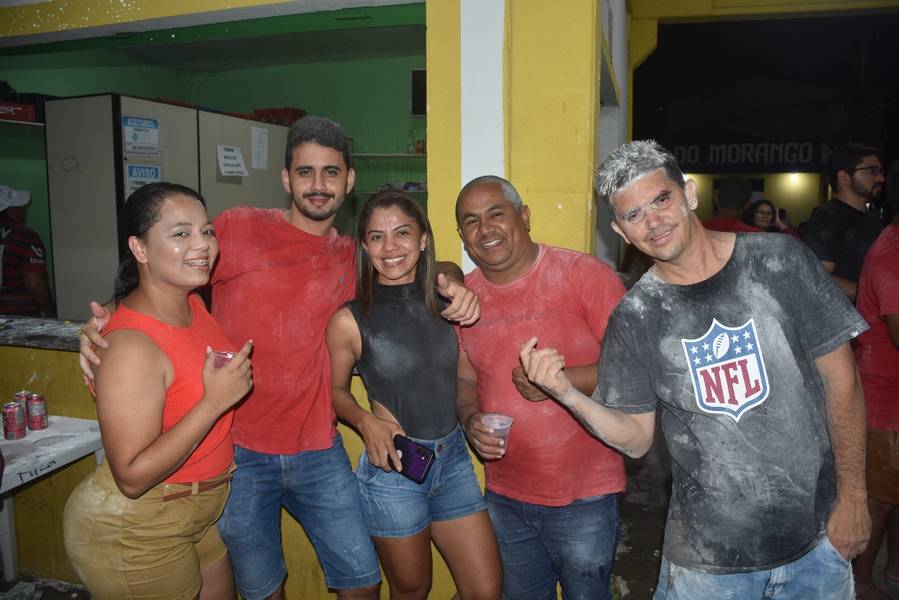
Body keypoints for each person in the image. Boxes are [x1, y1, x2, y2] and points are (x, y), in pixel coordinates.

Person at [79, 116, 478, 600]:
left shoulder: (355, 256)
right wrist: (107, 321)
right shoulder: (237, 228)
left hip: (319, 449)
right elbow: (165, 279)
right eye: (305, 172)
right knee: (263, 589)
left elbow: (414, 267)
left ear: (349, 180)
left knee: (363, 582)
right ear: (286, 178)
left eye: (331, 172)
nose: (318, 185)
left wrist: (453, 281)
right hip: (240, 452)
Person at [520, 140, 871, 599]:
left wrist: (854, 497)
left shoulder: (780, 261)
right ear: (620, 231)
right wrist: (566, 393)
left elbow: (842, 381)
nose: (653, 222)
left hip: (816, 540)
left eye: (661, 200)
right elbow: (636, 437)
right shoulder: (636, 317)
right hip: (708, 560)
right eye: (634, 214)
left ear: (688, 193)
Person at [63, 182, 253, 600]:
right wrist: (214, 402)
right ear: (140, 248)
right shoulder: (129, 347)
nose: (202, 245)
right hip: (137, 526)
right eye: (181, 233)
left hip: (195, 512)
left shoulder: (192, 303)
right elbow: (131, 477)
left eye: (206, 231)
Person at [454, 175, 626, 600]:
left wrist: (561, 384)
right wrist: (470, 419)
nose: (485, 229)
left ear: (524, 216)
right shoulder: (463, 300)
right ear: (462, 235)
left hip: (585, 494)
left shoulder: (583, 275)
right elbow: (464, 378)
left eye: (496, 213)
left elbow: (637, 365)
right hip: (505, 495)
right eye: (471, 221)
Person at [327, 190, 501, 600]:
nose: (390, 248)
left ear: (423, 238)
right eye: (377, 237)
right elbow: (335, 391)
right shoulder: (350, 320)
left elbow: (448, 271)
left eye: (402, 233)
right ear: (364, 246)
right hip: (395, 471)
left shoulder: (448, 300)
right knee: (412, 590)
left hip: (453, 462)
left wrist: (453, 281)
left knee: (486, 590)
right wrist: (365, 421)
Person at [852, 160, 899, 600]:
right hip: (884, 399)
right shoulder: (892, 258)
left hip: (887, 393)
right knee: (880, 500)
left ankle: (892, 569)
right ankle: (861, 583)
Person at [803, 143, 885, 301]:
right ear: (844, 177)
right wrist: (870, 296)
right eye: (873, 171)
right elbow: (816, 277)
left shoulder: (872, 219)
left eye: (880, 171)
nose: (880, 178)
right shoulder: (826, 218)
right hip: (845, 316)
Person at [0, 185, 56, 317]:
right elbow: (35, 284)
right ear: (10, 210)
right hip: (18, 315)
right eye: (20, 206)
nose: (25, 209)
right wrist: (51, 313)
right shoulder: (23, 236)